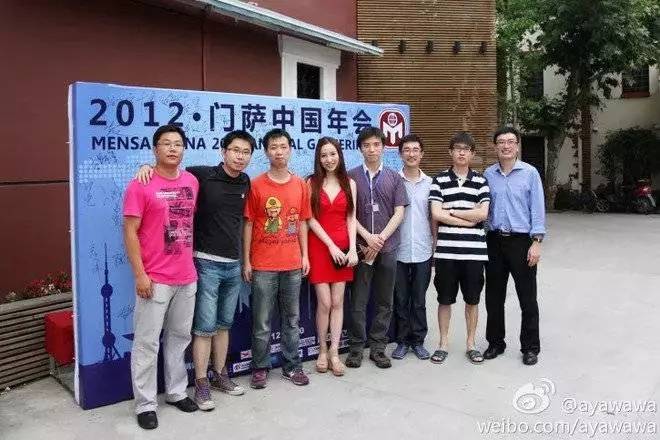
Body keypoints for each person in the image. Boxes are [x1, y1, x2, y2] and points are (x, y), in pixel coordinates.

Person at [136, 130, 255, 411]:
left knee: (223, 325)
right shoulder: (200, 175)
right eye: (235, 150)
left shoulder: (246, 181)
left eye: (246, 152)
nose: (240, 157)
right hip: (205, 263)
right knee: (204, 327)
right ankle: (201, 383)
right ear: (223, 151)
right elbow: (169, 173)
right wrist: (146, 167)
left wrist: (244, 261)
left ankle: (220, 375)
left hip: (232, 265)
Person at [123, 124, 199, 430]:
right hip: (154, 279)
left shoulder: (192, 181)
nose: (172, 148)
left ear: (184, 149)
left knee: (179, 339)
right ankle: (145, 404)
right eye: (166, 143)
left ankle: (177, 392)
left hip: (187, 276)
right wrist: (140, 274)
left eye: (178, 144)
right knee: (146, 343)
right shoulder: (140, 184)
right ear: (155, 149)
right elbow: (130, 232)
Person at [243, 128, 311, 388]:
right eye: (273, 147)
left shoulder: (300, 185)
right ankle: (260, 367)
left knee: (291, 319)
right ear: (266, 152)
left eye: (283, 146)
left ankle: (292, 366)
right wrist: (247, 260)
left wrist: (305, 256)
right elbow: (248, 224)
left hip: (292, 264)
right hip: (263, 265)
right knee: (261, 322)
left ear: (290, 149)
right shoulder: (256, 185)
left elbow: (302, 222)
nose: (279, 152)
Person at [346, 126, 409, 369]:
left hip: (388, 247)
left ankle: (378, 348)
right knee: (358, 301)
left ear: (383, 147)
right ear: (360, 149)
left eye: (376, 145)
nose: (371, 149)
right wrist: (367, 238)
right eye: (366, 145)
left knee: (384, 301)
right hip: (361, 249)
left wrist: (380, 239)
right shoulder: (350, 177)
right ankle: (355, 348)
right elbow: (348, 214)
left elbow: (399, 212)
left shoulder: (394, 177)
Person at [482, 127, 545, 366]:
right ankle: (495, 343)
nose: (506, 146)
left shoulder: (530, 173)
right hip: (494, 241)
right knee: (493, 297)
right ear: (495, 147)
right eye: (501, 142)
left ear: (517, 146)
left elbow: (537, 208)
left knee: (527, 298)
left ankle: (530, 347)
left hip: (522, 242)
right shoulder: (488, 174)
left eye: (510, 141)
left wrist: (536, 242)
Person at [428, 132, 490, 365]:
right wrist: (467, 219)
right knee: (444, 299)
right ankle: (443, 343)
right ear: (451, 152)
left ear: (472, 154)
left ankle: (471, 344)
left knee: (472, 300)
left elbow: (483, 214)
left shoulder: (481, 181)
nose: (462, 152)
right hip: (446, 252)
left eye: (466, 149)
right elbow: (436, 213)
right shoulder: (439, 180)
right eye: (458, 148)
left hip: (474, 252)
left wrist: (451, 211)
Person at [306, 137, 358, 376]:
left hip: (344, 247)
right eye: (324, 155)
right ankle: (322, 349)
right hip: (320, 247)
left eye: (332, 154)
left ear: (340, 155)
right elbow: (310, 218)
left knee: (338, 302)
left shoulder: (350, 183)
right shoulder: (311, 182)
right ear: (318, 158)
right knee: (325, 303)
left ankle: (335, 352)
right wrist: (330, 246)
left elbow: (351, 218)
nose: (329, 159)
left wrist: (353, 249)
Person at [391, 134, 435, 361]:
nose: (411, 154)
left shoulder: (431, 183)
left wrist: (435, 244)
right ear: (400, 154)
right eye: (406, 150)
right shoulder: (393, 180)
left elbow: (433, 217)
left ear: (422, 154)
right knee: (400, 299)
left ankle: (418, 341)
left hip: (423, 249)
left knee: (419, 300)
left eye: (415, 150)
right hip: (398, 250)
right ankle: (401, 341)